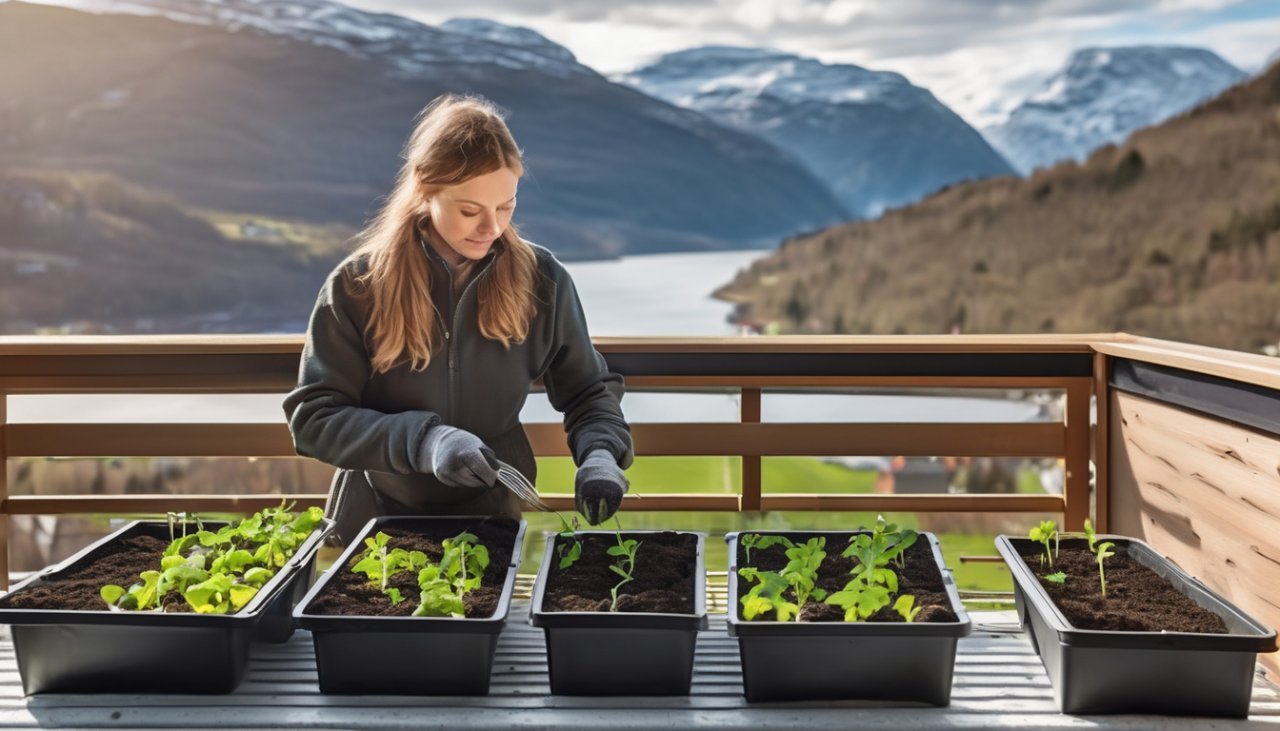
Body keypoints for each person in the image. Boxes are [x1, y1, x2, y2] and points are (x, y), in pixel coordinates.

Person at [283, 94, 633, 545]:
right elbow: (314, 419)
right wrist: (427, 442)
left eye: (506, 207)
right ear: (425, 189)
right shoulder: (357, 284)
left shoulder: (543, 280)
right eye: (471, 210)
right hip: (375, 520)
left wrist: (601, 453)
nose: (492, 228)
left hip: (493, 517)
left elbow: (588, 390)